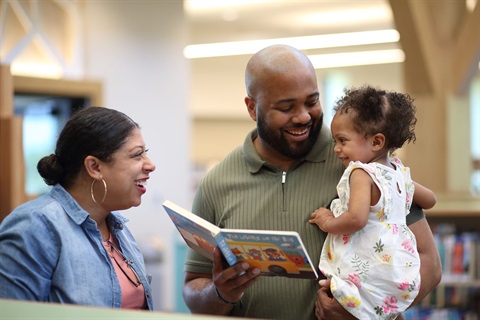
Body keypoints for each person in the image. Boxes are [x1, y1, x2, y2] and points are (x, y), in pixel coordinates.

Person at [182, 44, 442, 320]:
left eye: (312, 101)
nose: (304, 116)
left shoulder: (362, 162)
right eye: (286, 107)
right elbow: (194, 286)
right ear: (251, 108)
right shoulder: (217, 183)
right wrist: (220, 293)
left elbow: (429, 265)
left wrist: (363, 312)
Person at [0, 107, 156, 310]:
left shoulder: (118, 229)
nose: (150, 165)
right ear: (95, 167)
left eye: (146, 153)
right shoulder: (35, 226)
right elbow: (13, 314)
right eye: (137, 155)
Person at [308, 85, 437, 319]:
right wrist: (406, 187)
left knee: (337, 290)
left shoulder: (361, 173)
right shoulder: (399, 172)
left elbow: (356, 218)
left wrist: (327, 221)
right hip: (397, 267)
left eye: (342, 140)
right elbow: (430, 199)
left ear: (376, 142)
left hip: (369, 263)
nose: (336, 149)